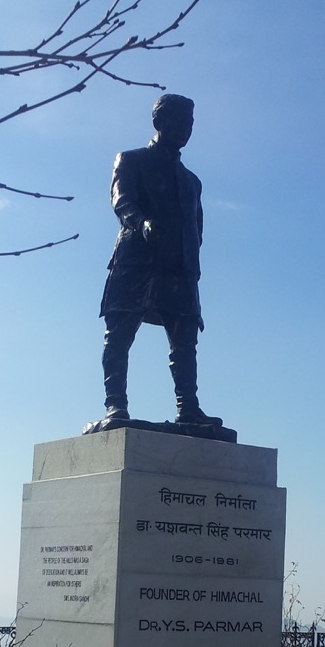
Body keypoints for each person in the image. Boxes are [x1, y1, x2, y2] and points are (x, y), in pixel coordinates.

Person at [98, 93, 221, 428]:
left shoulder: (191, 180)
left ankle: (188, 409)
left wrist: (191, 265)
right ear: (160, 122)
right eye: (178, 122)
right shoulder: (132, 159)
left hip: (179, 270)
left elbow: (197, 226)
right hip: (136, 261)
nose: (185, 129)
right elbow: (121, 200)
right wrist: (142, 223)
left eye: (190, 123)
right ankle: (116, 407)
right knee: (119, 333)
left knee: (185, 341)